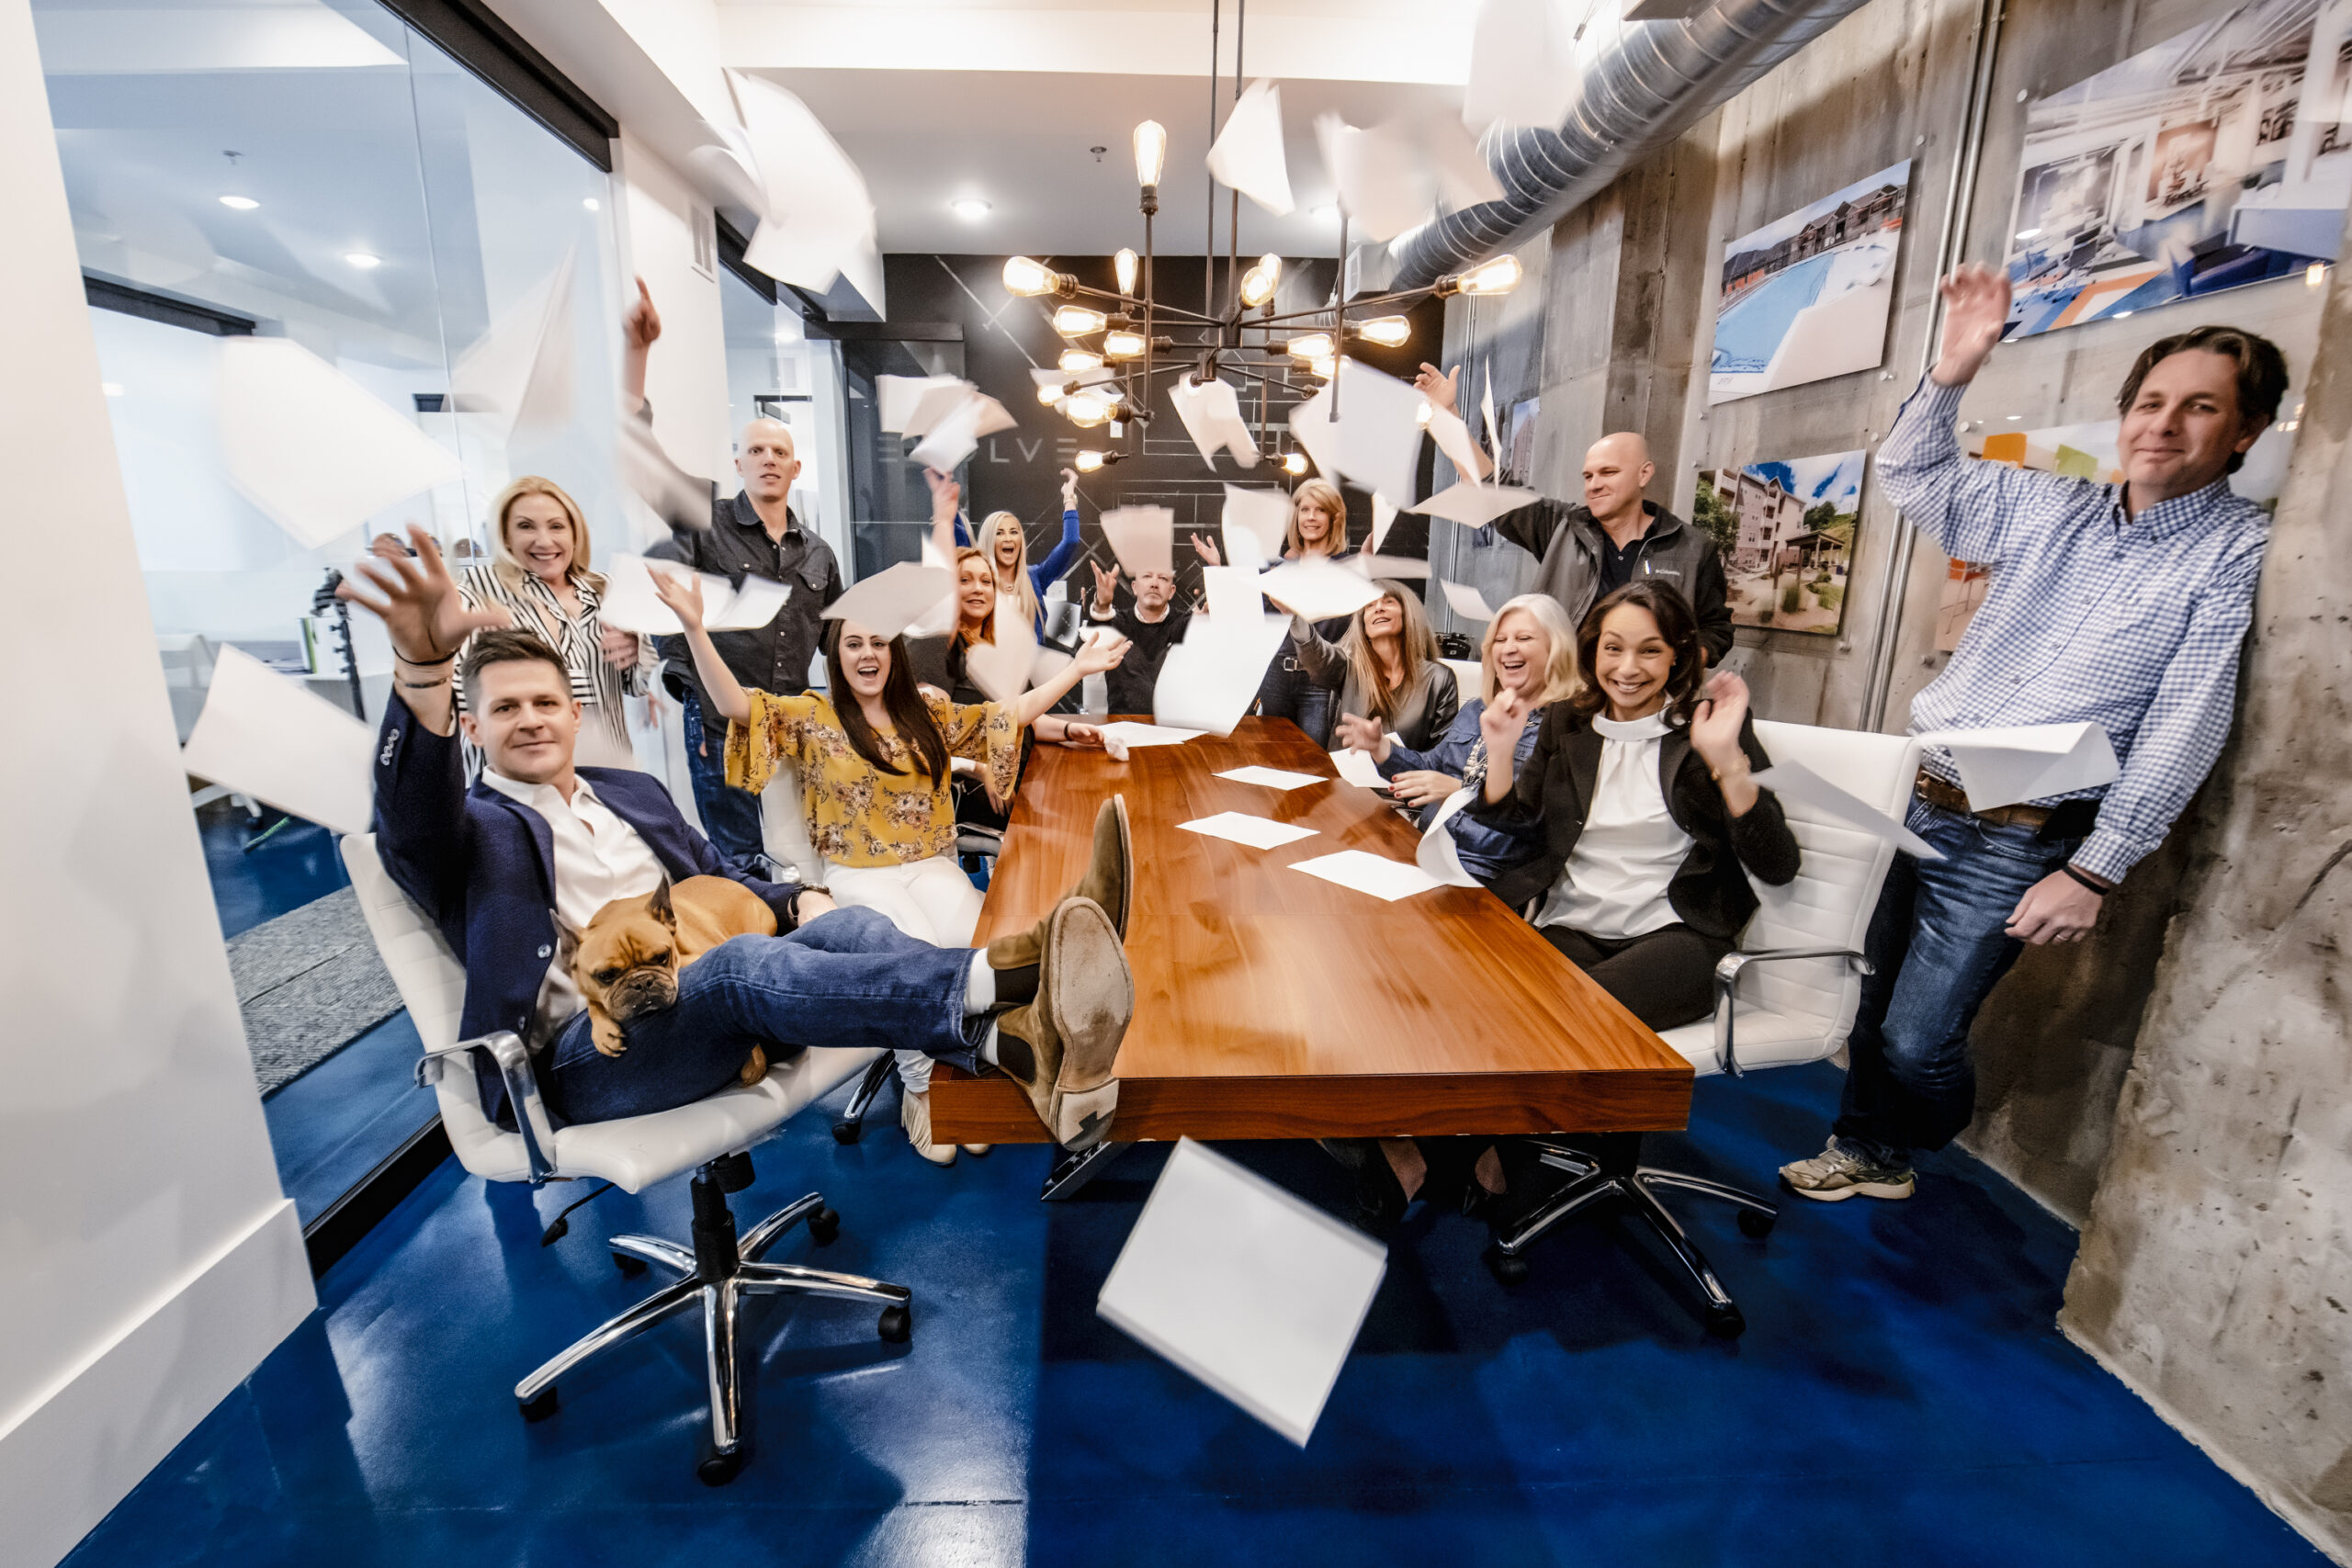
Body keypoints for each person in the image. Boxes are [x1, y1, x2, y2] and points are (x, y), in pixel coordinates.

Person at [337, 524, 1136, 1151]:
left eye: (545, 702)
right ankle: (1021, 971)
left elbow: (719, 873)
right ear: (470, 725)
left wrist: (798, 898)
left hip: (699, 1005)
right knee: (736, 968)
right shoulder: (470, 830)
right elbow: (409, 815)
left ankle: (1010, 1042)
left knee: (851, 926)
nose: (532, 719)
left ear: (576, 711)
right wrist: (421, 667)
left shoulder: (631, 793)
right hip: (582, 1060)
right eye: (506, 709)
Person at [1779, 265, 2285, 1205]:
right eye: (2148, 401)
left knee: (1917, 1037)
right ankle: (1866, 1147)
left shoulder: (2233, 552)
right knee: (1868, 1001)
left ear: (2245, 433)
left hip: (2020, 829)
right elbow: (1911, 475)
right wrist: (1953, 371)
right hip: (1917, 791)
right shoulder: (2054, 504)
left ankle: (1911, 1134)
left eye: (2198, 408)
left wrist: (2096, 867)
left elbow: (2186, 719)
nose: (2161, 424)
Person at [652, 567, 1130, 1165]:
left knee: (976, 947)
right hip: (856, 872)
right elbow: (732, 704)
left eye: (878, 642)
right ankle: (924, 1088)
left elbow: (1006, 715)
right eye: (854, 643)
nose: (867, 653)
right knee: (914, 953)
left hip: (931, 863)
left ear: (895, 654)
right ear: (838, 655)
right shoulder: (812, 715)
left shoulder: (925, 710)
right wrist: (695, 627)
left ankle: (963, 1078)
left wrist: (1077, 669)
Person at [624, 279, 843, 867]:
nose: (769, 460)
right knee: (740, 854)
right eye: (757, 451)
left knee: (797, 847)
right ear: (738, 462)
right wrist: (636, 356)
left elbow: (841, 642)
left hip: (790, 717)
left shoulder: (819, 553)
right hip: (720, 718)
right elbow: (641, 461)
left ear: (796, 468)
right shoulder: (704, 523)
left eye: (779, 453)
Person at [1417, 364, 1733, 664]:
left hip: (1646, 700)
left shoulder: (1692, 549)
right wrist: (1446, 420)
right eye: (1588, 476)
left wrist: (1676, 664)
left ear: (1644, 474)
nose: (1594, 485)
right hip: (1566, 696)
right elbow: (1492, 490)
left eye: (1608, 473)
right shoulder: (1563, 527)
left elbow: (1716, 630)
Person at [1332, 592, 1578, 891]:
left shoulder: (1565, 725)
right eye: (1500, 640)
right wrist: (1381, 748)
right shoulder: (1476, 708)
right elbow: (1432, 767)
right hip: (1425, 849)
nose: (1509, 649)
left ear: (1556, 648)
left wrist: (1457, 793)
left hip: (1486, 874)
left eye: (1524, 638)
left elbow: (1536, 823)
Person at [441, 476, 650, 772]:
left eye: (556, 526)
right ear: (506, 537)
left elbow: (637, 684)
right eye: (525, 526)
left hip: (606, 771)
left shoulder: (602, 589)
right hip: (515, 778)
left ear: (575, 534)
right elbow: (454, 696)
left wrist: (637, 647)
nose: (544, 541)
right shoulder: (477, 589)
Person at [1193, 478, 1354, 745]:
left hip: (1319, 681)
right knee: (1274, 753)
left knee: (1314, 759)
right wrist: (1219, 583)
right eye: (1304, 510)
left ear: (1334, 518)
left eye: (1320, 510)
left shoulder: (1346, 571)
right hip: (1275, 674)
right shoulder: (1279, 569)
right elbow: (1249, 614)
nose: (1311, 517)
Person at [1280, 579, 1460, 753]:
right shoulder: (1347, 666)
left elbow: (1442, 755)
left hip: (1401, 782)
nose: (1379, 608)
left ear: (1408, 615)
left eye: (1389, 601)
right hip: (1344, 779)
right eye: (1370, 605)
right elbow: (1316, 656)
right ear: (1363, 625)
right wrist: (1294, 615)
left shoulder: (1439, 678)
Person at [930, 467, 1085, 637]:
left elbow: (1070, 541)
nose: (1008, 539)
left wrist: (1069, 497)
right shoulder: (979, 578)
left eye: (1013, 532)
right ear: (990, 539)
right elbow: (959, 537)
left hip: (1030, 662)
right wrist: (945, 504)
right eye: (999, 533)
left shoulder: (1034, 577)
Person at [1085, 558, 1188, 716]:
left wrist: (1216, 570)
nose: (1154, 583)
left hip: (1176, 725)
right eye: (1147, 576)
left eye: (1163, 578)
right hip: (1122, 723)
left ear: (1172, 591)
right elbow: (1090, 649)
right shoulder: (1116, 623)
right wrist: (1103, 604)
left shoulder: (1185, 624)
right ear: (1135, 587)